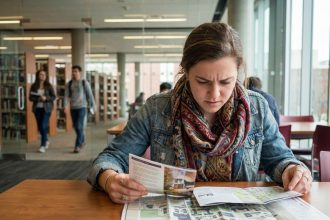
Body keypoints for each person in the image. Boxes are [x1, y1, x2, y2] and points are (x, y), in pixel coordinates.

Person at [88, 22, 312, 204]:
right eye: (202, 81)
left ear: (238, 74)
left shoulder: (257, 108)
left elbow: (280, 159)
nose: (215, 94)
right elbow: (111, 158)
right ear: (185, 71)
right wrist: (110, 179)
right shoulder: (158, 108)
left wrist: (292, 171)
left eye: (226, 82)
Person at [64, 65, 96, 153]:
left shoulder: (84, 83)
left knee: (79, 126)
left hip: (82, 107)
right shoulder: (69, 83)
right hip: (73, 108)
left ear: (79, 72)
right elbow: (66, 95)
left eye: (76, 71)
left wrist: (93, 106)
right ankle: (82, 139)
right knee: (76, 127)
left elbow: (90, 95)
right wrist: (65, 105)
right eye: (73, 71)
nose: (74, 73)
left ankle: (77, 146)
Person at [29, 70, 56, 153]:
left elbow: (53, 97)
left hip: (47, 109)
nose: (42, 76)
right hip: (37, 109)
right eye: (41, 74)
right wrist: (38, 99)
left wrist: (46, 99)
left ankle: (43, 145)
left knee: (43, 125)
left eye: (44, 74)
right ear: (38, 76)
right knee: (40, 127)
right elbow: (30, 98)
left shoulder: (48, 86)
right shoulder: (34, 86)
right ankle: (46, 139)